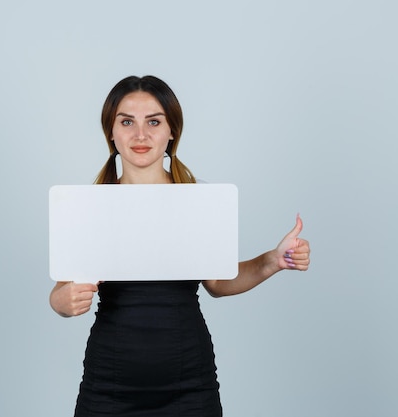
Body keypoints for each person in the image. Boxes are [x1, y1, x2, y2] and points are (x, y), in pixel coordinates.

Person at [49, 75, 311, 417]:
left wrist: (273, 260)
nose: (140, 135)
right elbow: (59, 294)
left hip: (190, 388)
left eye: (153, 122)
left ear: (172, 131)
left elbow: (218, 284)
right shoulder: (89, 204)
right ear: (111, 132)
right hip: (108, 388)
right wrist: (64, 302)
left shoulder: (198, 199)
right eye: (127, 122)